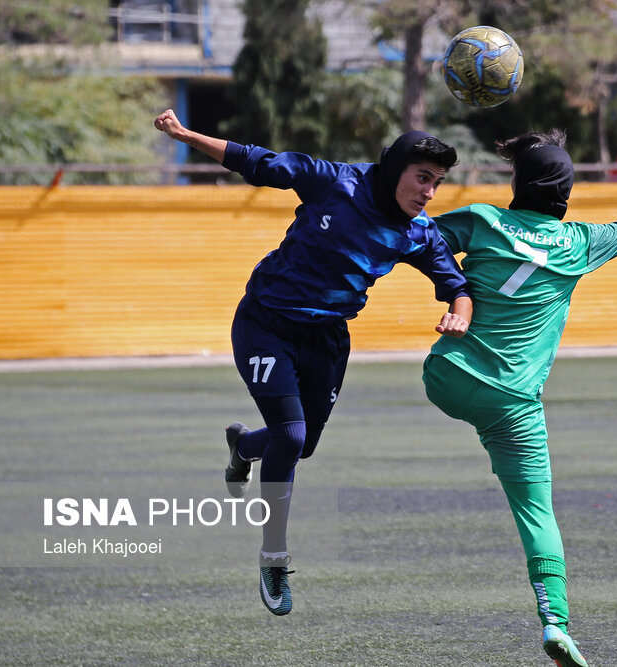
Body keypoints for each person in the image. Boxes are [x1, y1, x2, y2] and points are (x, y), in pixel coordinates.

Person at [153, 109, 472, 616]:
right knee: (293, 435)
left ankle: (244, 445)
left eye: (436, 183)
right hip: (265, 323)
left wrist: (458, 313)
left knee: (300, 445)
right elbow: (258, 162)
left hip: (325, 339)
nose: (429, 192)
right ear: (395, 169)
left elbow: (455, 287)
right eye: (422, 178)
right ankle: (273, 557)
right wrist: (185, 134)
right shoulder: (336, 183)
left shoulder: (418, 232)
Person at [422, 120, 617, 666]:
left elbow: (411, 239)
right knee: (537, 513)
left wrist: (454, 289)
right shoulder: (580, 243)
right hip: (512, 405)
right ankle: (555, 623)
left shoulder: (484, 220)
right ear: (565, 195)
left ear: (518, 185)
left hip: (447, 375)